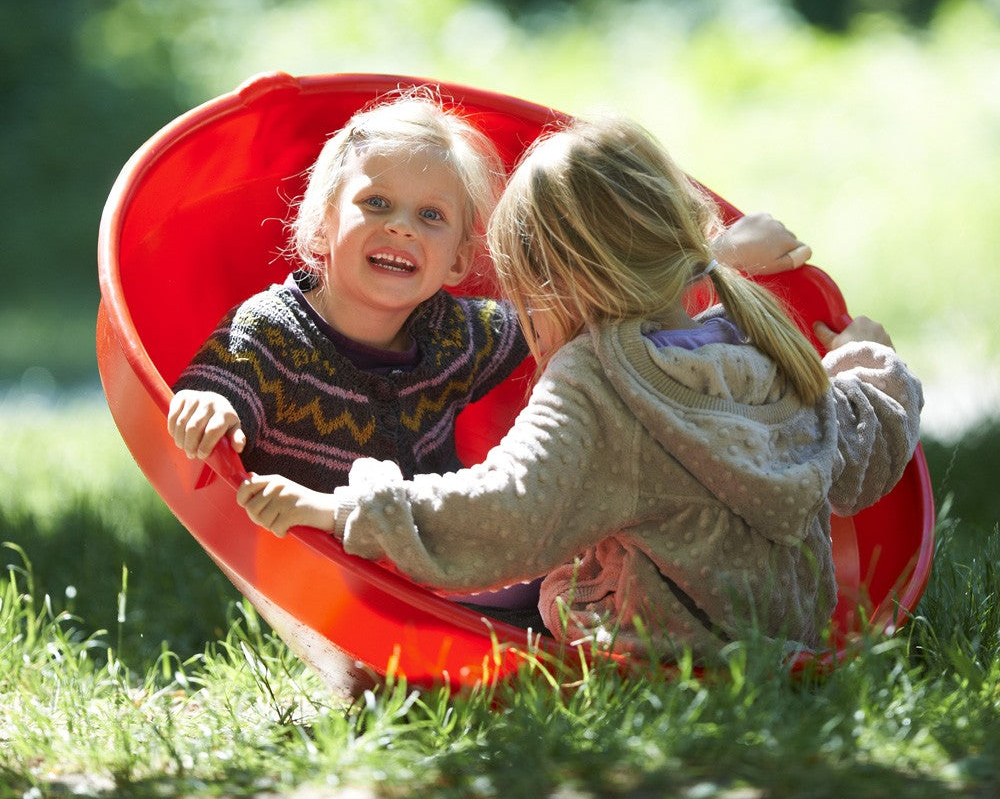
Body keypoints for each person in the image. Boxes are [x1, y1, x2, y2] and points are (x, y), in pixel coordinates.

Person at [235, 114, 923, 657]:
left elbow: (509, 509)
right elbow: (860, 445)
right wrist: (866, 357)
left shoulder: (599, 381)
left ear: (550, 283)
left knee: (501, 594)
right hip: (787, 645)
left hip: (652, 652)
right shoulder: (754, 343)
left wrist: (339, 511)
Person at [168, 90, 811, 497]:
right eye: (377, 203)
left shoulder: (455, 333)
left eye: (431, 217)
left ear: (457, 262)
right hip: (318, 561)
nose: (399, 226)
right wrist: (210, 405)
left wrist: (716, 256)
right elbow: (222, 380)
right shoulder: (272, 332)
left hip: (433, 557)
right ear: (319, 225)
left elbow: (587, 306)